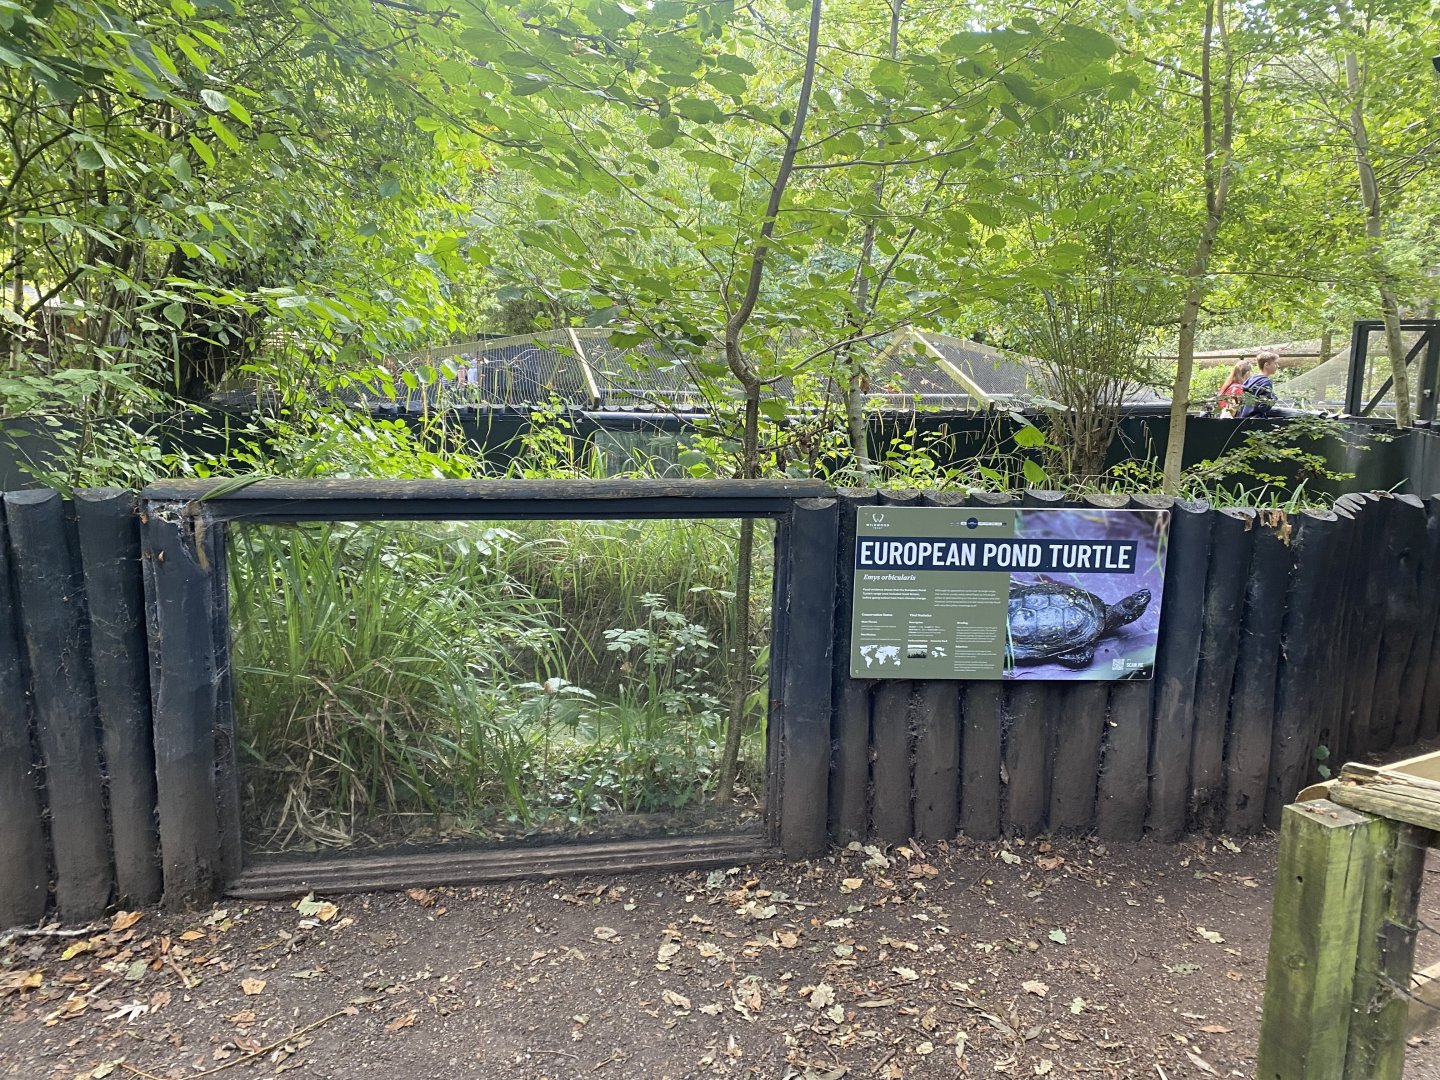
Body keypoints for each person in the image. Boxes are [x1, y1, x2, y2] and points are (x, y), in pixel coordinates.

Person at [1238, 351, 1280, 419]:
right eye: (1275, 363)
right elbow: (1263, 407)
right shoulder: (1266, 381)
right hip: (1257, 419)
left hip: (1244, 418)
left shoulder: (1250, 379)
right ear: (1266, 365)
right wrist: (1274, 399)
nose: (1278, 366)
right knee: (1298, 413)